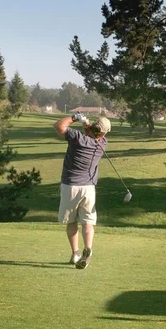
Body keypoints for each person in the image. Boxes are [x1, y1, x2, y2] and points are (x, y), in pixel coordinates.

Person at [54, 113, 111, 269]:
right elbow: (93, 135)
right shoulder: (103, 143)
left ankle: (75, 254)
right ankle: (89, 248)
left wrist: (75, 117)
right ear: (104, 133)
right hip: (89, 188)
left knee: (72, 222)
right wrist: (88, 127)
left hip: (70, 185)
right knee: (88, 223)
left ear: (92, 126)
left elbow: (59, 126)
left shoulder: (77, 138)